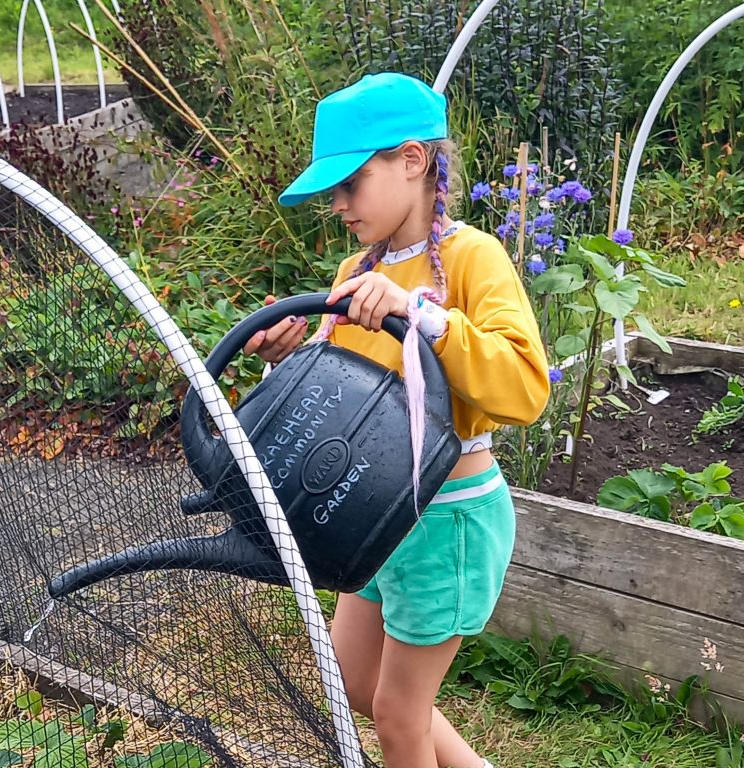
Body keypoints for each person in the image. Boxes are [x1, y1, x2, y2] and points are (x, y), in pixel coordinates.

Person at [243, 73, 549, 768]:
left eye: (352, 183)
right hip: (373, 516)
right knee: (355, 681)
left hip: (449, 520)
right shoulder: (358, 268)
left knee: (397, 716)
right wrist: (283, 360)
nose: (340, 204)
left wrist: (423, 316)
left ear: (412, 161)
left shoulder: (472, 257)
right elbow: (334, 403)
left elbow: (526, 387)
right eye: (333, 192)